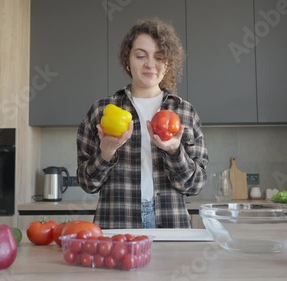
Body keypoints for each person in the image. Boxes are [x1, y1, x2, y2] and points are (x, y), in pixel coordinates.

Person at [76, 18, 208, 229]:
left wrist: (175, 152)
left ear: (168, 64)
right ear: (127, 60)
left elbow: (195, 185)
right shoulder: (101, 111)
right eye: (140, 55)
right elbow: (87, 183)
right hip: (117, 222)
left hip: (171, 222)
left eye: (159, 57)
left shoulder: (185, 113)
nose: (150, 64)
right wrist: (106, 152)